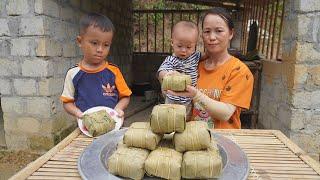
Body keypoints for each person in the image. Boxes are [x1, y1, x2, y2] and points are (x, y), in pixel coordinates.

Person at [167, 7, 254, 129]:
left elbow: (226, 113)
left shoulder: (239, 71)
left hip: (223, 140)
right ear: (201, 35)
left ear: (231, 33)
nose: (212, 37)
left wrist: (196, 95)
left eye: (219, 31)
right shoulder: (193, 66)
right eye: (207, 31)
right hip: (192, 139)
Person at [60, 13, 132, 120]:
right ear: (80, 41)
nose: (100, 49)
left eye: (106, 45)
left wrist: (118, 108)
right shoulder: (73, 73)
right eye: (94, 43)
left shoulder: (113, 71)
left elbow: (125, 96)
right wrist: (77, 113)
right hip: (87, 127)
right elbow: (67, 102)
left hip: (112, 124)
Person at [157, 21, 201, 120]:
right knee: (170, 120)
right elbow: (162, 71)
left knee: (186, 121)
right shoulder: (171, 59)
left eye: (189, 47)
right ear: (172, 42)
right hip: (173, 99)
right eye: (179, 46)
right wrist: (168, 75)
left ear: (195, 46)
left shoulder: (195, 56)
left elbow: (208, 56)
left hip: (189, 99)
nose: (184, 50)